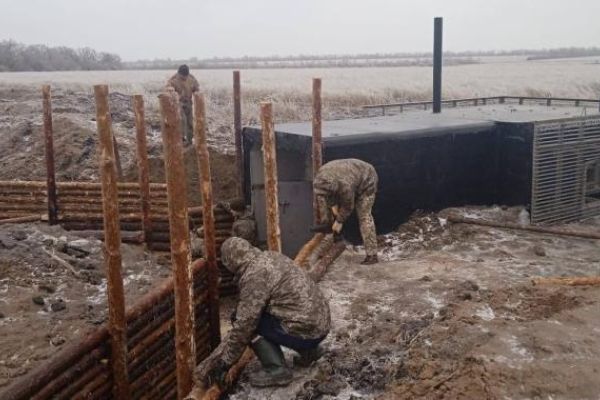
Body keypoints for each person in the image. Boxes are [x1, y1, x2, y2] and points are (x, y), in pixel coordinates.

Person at [195, 237, 331, 388]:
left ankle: (277, 370)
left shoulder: (254, 276)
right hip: (321, 325)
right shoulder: (270, 256)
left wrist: (225, 363)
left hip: (308, 332)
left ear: (230, 261)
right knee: (274, 315)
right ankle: (309, 352)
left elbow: (245, 326)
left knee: (249, 323)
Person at [314, 158, 379, 265]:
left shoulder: (345, 186)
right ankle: (334, 240)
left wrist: (339, 221)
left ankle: (372, 255)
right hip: (349, 177)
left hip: (367, 179)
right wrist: (329, 219)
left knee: (364, 216)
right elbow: (327, 198)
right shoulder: (320, 180)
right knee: (335, 212)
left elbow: (348, 206)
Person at [166, 64, 199, 145]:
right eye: (182, 76)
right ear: (179, 73)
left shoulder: (191, 78)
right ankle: (181, 140)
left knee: (190, 122)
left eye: (186, 76)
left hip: (188, 102)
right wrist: (172, 92)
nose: (184, 78)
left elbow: (197, 88)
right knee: (182, 120)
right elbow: (168, 90)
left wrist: (197, 92)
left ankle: (189, 141)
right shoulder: (173, 80)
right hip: (178, 103)